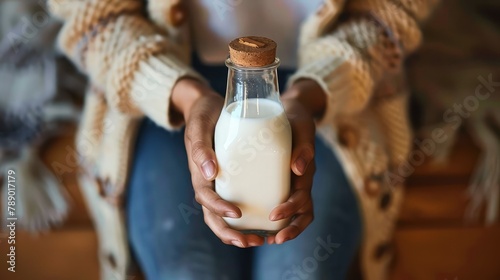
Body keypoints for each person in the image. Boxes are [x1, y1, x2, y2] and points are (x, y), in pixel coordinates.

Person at [48, 0, 438, 279]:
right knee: (186, 271)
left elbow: (391, 15)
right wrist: (187, 96)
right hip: (163, 82)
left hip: (335, 85)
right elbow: (95, 20)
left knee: (303, 272)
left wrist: (311, 94)